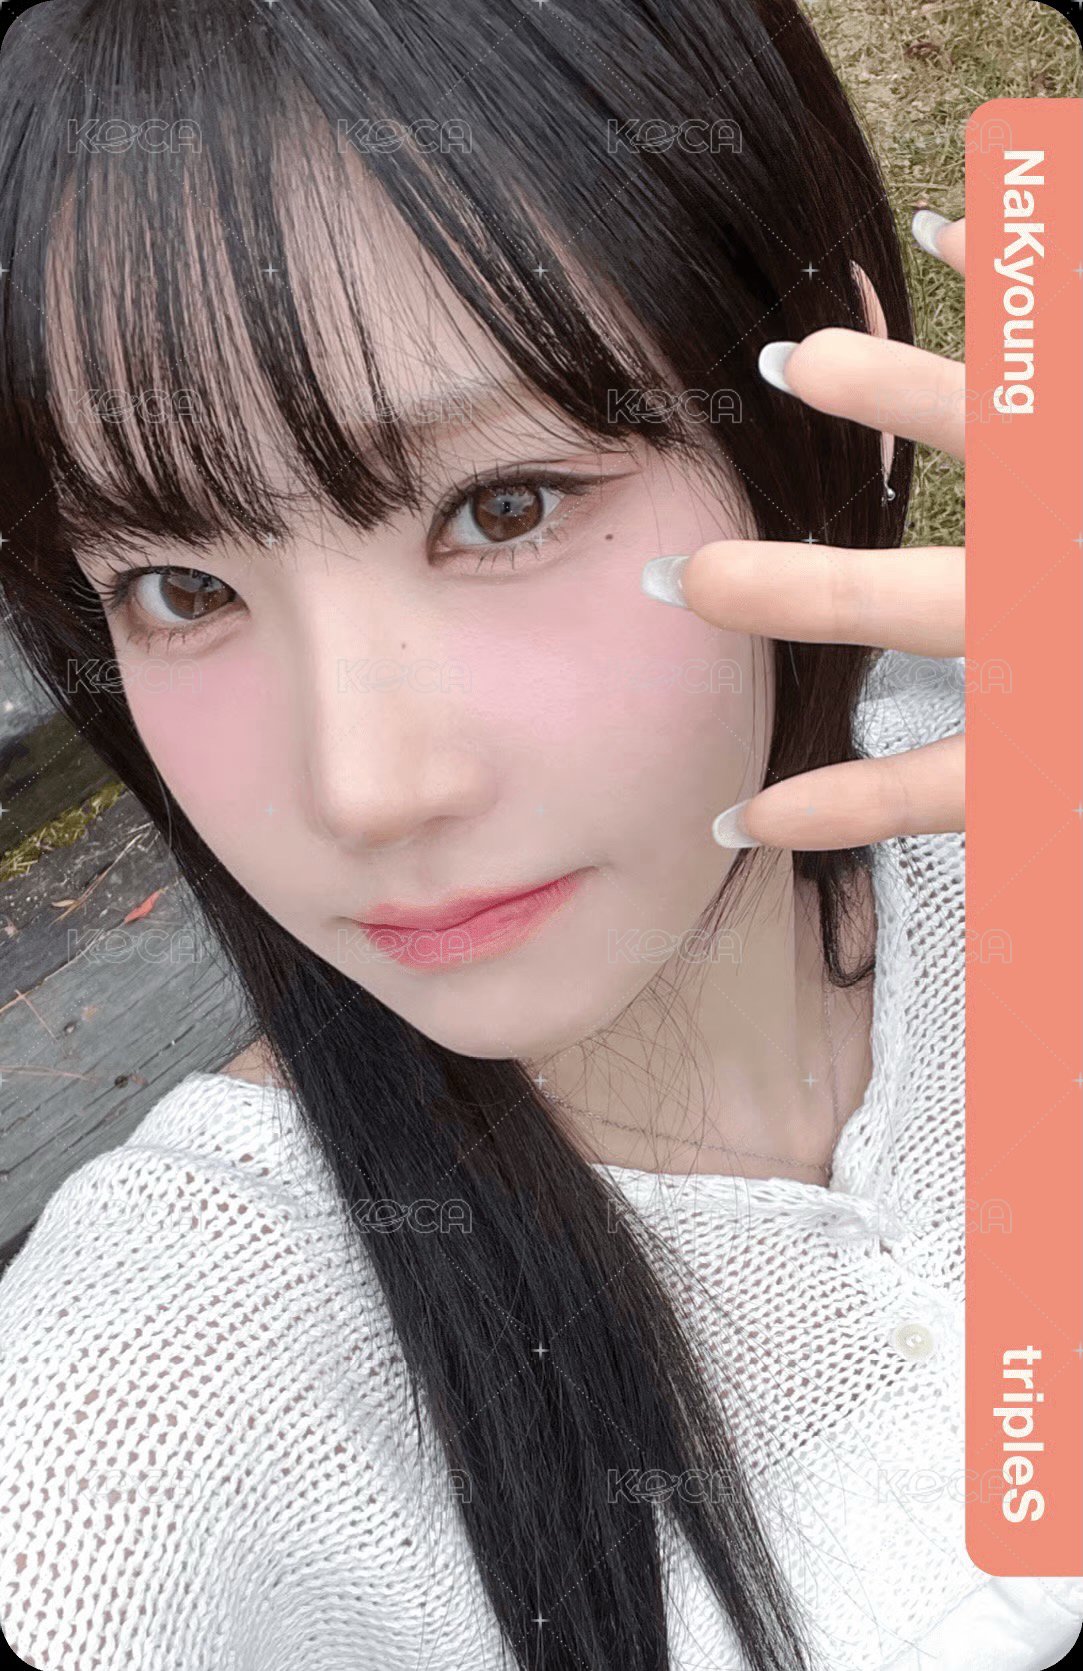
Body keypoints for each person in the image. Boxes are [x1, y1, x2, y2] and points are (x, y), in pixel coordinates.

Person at [0, 3, 1078, 1668]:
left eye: (502, 507)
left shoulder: (1008, 792)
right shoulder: (131, 1413)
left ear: (844, 402)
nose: (364, 788)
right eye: (182, 588)